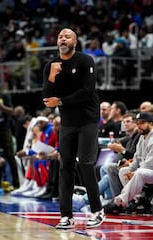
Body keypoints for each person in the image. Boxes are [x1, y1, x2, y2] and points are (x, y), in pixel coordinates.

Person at [42, 28, 105, 229]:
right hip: (68, 122)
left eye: (67, 36)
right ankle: (66, 216)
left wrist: (60, 100)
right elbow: (47, 99)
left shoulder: (86, 61)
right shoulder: (52, 65)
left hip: (88, 119)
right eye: (60, 36)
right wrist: (52, 77)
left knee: (86, 163)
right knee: (65, 166)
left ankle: (97, 210)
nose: (63, 38)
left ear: (75, 42)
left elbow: (87, 92)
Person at [109, 112, 153, 211]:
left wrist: (134, 173)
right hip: (151, 170)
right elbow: (137, 158)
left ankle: (120, 202)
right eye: (137, 123)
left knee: (139, 173)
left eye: (142, 123)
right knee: (124, 171)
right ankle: (138, 200)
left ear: (151, 123)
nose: (139, 126)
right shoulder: (143, 137)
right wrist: (130, 170)